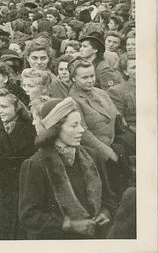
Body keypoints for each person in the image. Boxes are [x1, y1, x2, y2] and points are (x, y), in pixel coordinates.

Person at [18, 97, 116, 239]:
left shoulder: (93, 157)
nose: (81, 130)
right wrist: (69, 225)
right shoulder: (36, 165)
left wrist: (106, 212)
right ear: (56, 129)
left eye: (80, 124)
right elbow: (29, 216)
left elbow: (109, 197)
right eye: (74, 125)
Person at [0, 89, 36, 239]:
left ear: (17, 107)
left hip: (24, 193)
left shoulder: (31, 129)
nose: (0, 111)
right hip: (2, 193)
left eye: (5, 107)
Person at [68, 59, 120, 163]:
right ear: (73, 78)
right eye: (85, 77)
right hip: (96, 153)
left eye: (92, 76)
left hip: (115, 144)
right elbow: (83, 133)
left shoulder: (102, 93)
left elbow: (116, 116)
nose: (90, 80)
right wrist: (108, 152)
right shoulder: (73, 100)